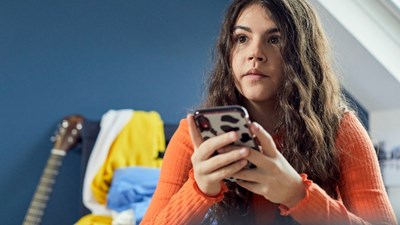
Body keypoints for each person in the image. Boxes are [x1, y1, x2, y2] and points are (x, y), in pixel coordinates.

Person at [141, 0, 397, 224]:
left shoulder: (341, 129)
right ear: (228, 53)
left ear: (301, 55)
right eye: (242, 39)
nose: (255, 53)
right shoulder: (194, 135)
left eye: (274, 40)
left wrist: (298, 194)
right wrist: (200, 189)